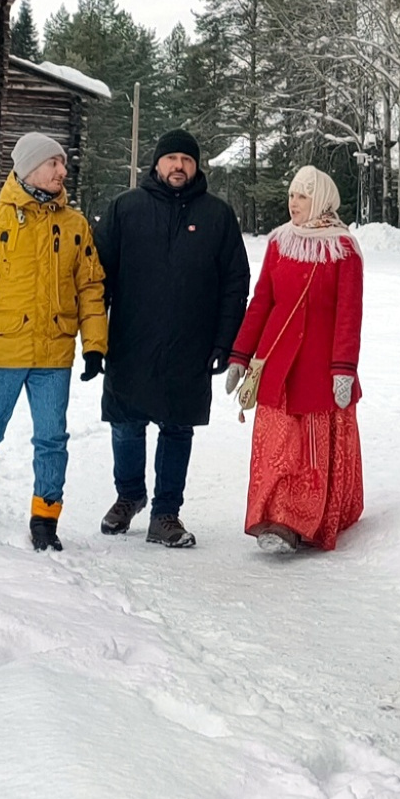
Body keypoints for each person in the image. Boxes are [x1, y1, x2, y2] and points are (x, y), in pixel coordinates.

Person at [0, 133, 108, 552]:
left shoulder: (74, 225)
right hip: (1, 349)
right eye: (54, 163)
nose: (62, 171)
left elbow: (91, 288)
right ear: (29, 167)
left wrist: (94, 345)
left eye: (63, 164)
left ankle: (45, 519)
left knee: (52, 438)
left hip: (54, 351)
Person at [94, 129, 250, 548]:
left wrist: (224, 341)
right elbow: (95, 279)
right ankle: (129, 496)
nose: (178, 166)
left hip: (191, 341)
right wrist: (94, 338)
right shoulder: (125, 209)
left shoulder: (217, 215)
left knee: (178, 427)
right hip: (130, 338)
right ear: (157, 164)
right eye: (171, 159)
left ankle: (166, 513)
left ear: (196, 166)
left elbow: (235, 282)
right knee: (126, 423)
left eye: (186, 159)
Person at [225, 165, 366, 553]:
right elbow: (263, 303)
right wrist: (240, 356)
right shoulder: (279, 243)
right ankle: (274, 516)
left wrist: (343, 369)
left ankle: (298, 521)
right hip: (276, 365)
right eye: (291, 195)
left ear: (320, 199)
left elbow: (348, 314)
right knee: (277, 448)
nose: (294, 203)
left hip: (318, 370)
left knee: (310, 451)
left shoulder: (343, 249)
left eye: (303, 196)